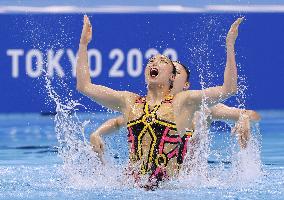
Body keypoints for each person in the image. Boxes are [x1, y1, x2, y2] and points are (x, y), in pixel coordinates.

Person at [76, 15, 243, 188]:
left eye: (163, 61)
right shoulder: (130, 101)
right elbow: (85, 86)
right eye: (151, 61)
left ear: (172, 77)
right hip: (131, 188)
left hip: (169, 190)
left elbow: (228, 89)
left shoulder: (183, 102)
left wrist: (229, 45)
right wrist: (83, 45)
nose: (154, 63)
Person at [90, 61, 261, 162]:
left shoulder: (201, 109)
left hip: (189, 183)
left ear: (186, 84)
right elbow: (119, 121)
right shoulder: (149, 109)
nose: (171, 73)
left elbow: (253, 114)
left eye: (176, 71)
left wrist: (244, 117)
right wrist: (97, 133)